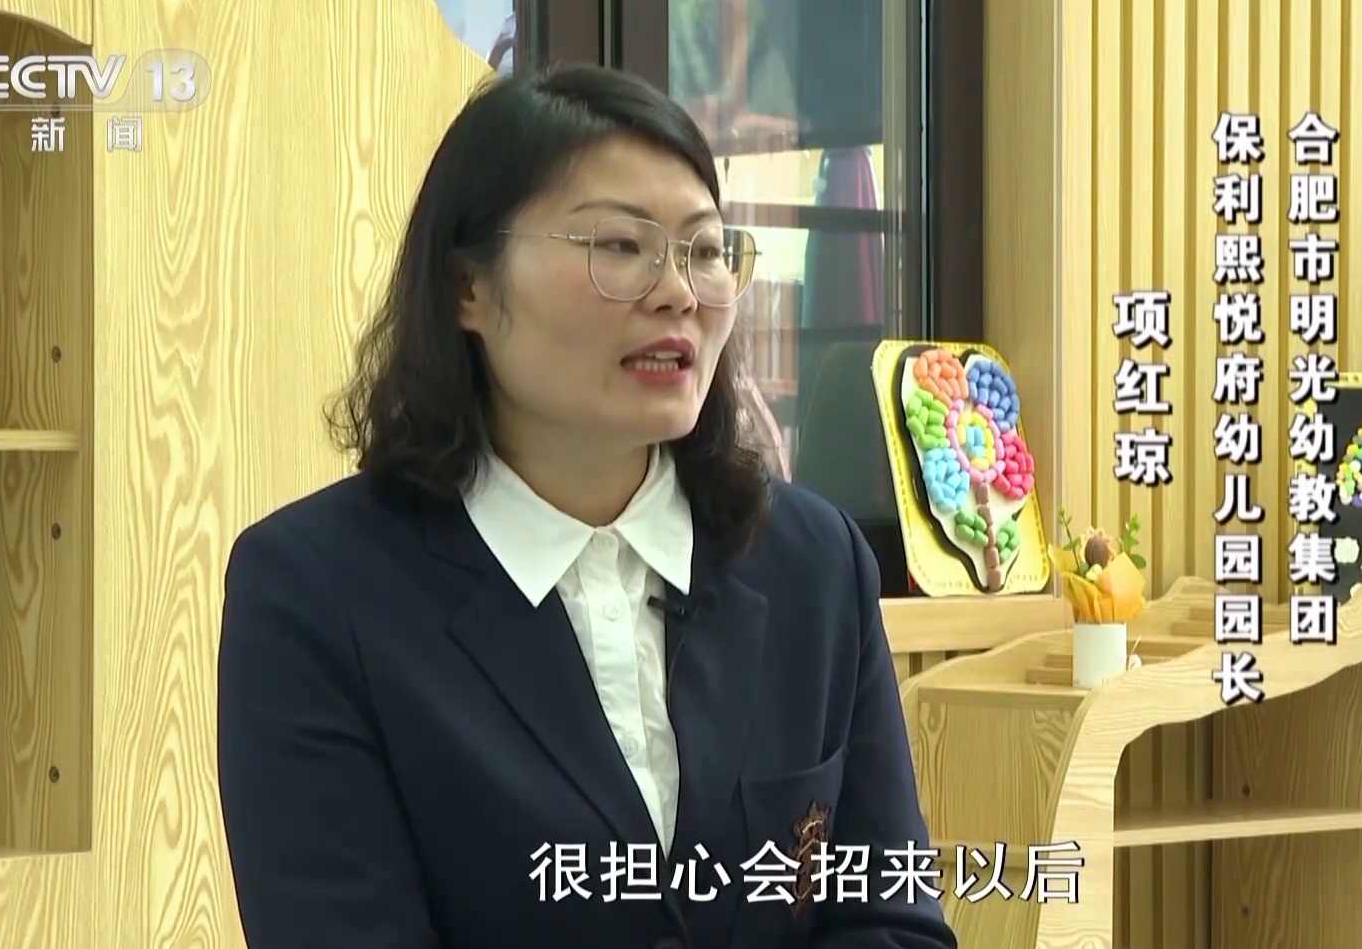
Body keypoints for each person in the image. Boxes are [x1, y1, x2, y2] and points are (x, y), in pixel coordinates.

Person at [215, 64, 955, 949]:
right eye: (619, 247)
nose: (678, 290)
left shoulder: (813, 561)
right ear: (467, 287)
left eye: (705, 250)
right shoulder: (314, 592)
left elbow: (889, 920)